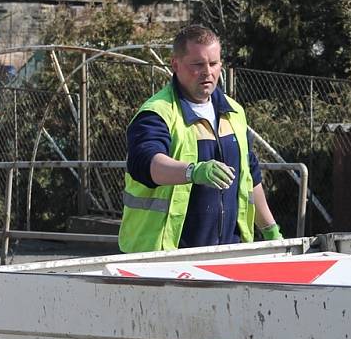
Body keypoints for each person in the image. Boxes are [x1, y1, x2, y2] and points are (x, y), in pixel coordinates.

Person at [118, 24, 282, 253]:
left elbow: (249, 175)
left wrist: (270, 230)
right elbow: (146, 165)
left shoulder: (234, 112)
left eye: (214, 64)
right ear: (175, 65)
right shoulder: (157, 113)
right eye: (197, 64)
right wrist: (192, 172)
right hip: (166, 255)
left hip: (229, 253)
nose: (208, 72)